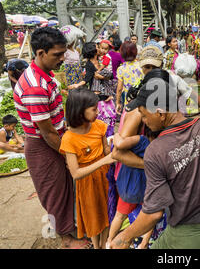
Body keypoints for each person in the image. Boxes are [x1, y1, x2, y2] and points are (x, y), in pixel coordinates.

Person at [109, 78, 200, 249]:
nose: (143, 121)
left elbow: (154, 213)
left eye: (144, 115)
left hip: (182, 237)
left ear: (160, 113)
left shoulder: (156, 151)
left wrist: (125, 237)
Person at [13, 27, 87, 249]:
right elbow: (46, 132)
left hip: (55, 137)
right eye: (57, 54)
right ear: (40, 53)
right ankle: (67, 238)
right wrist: (67, 153)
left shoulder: (45, 75)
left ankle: (70, 226)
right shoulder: (35, 86)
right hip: (44, 143)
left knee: (64, 187)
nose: (63, 58)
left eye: (63, 52)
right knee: (54, 192)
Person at [60, 88, 115, 249]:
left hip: (105, 178)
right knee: (93, 217)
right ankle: (96, 245)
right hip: (87, 183)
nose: (98, 111)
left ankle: (103, 244)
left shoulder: (99, 126)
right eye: (94, 109)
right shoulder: (69, 139)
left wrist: (114, 148)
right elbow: (76, 173)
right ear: (80, 111)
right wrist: (104, 160)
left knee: (106, 212)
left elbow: (106, 150)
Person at [107, 126, 159, 249]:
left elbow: (120, 144)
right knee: (149, 215)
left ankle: (109, 242)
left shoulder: (141, 140)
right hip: (146, 188)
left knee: (119, 216)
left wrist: (116, 135)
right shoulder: (159, 148)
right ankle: (143, 243)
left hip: (129, 188)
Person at [115, 41, 144, 114]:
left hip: (128, 102)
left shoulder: (121, 69)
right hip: (142, 100)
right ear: (135, 52)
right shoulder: (142, 66)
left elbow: (119, 89)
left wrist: (118, 103)